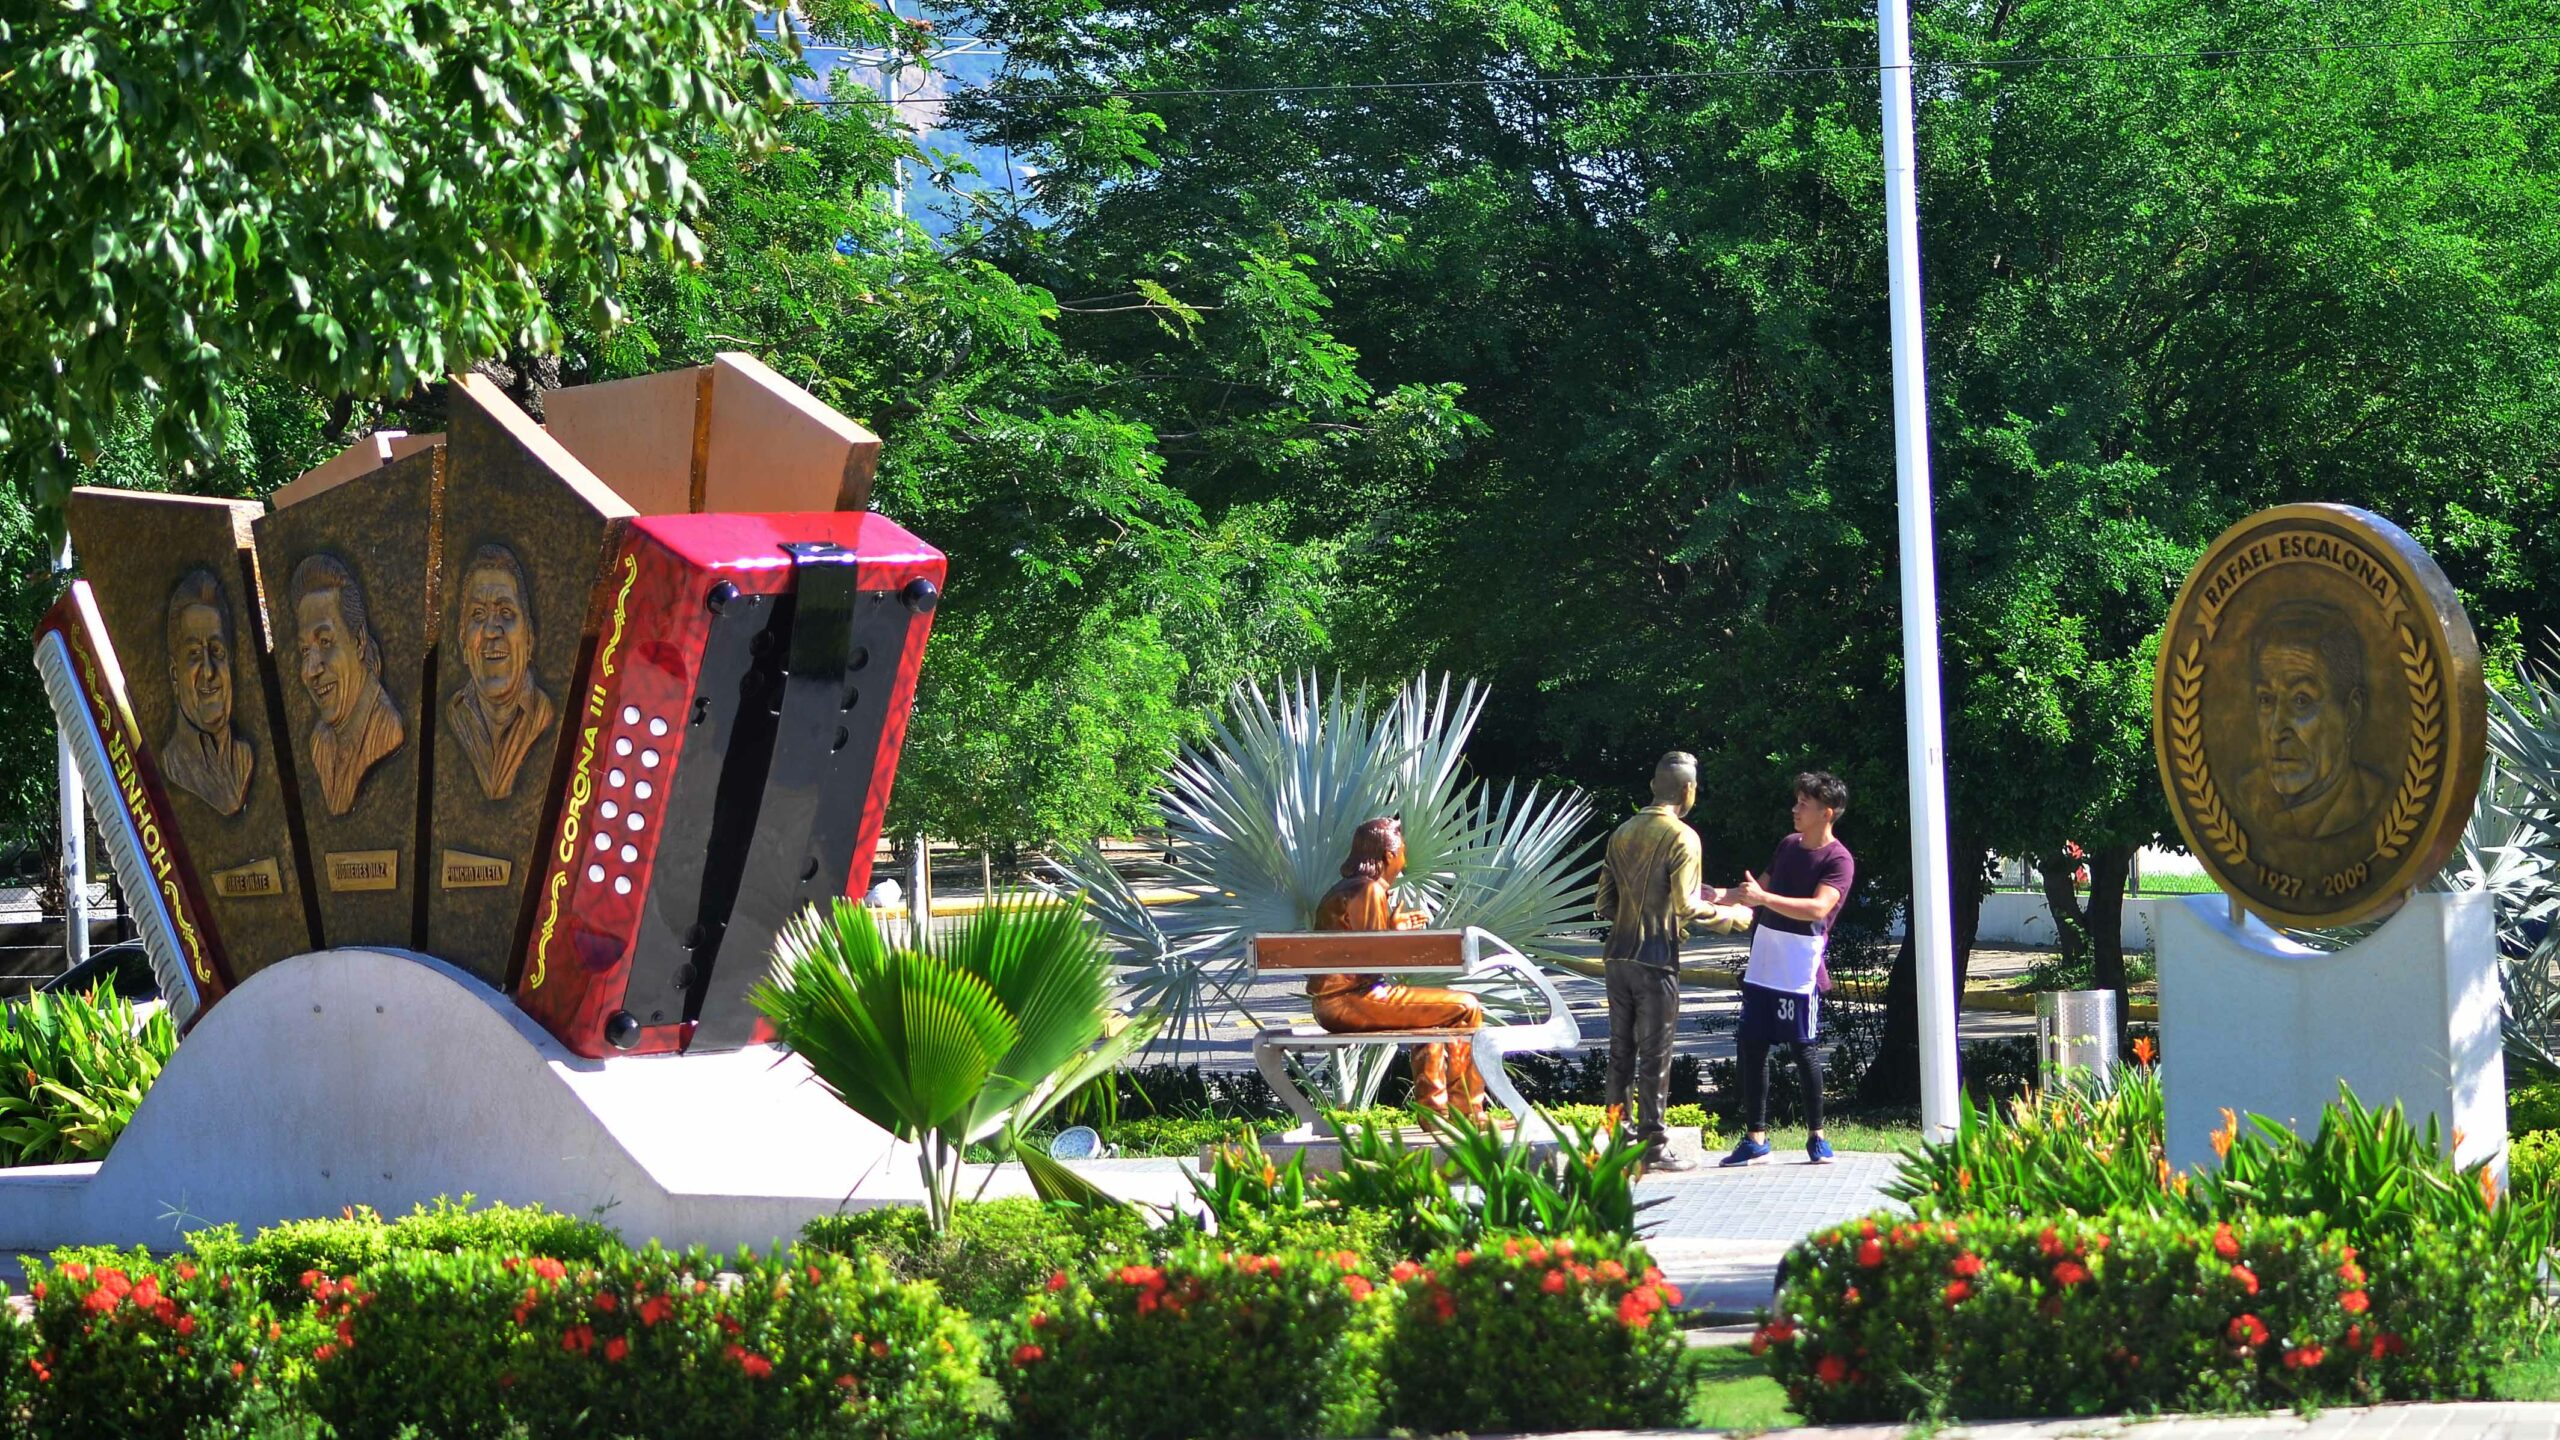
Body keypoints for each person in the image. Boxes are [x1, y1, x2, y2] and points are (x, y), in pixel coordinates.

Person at [1593, 752, 1746, 1169]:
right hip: (1655, 958)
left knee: (1620, 1052)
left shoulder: (1622, 832)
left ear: (1652, 787)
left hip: (1617, 956)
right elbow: (1687, 904)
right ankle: (1655, 1146)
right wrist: (1733, 918)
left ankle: (1615, 1140)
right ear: (1688, 790)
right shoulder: (1683, 836)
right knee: (1655, 1056)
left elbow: (1604, 902)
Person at [1712, 772, 1854, 1167]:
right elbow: (1755, 892)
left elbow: (1818, 908)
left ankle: (1817, 1137)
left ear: (1826, 813)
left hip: (1799, 969)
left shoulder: (1838, 859)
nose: (1795, 809)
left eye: (1803, 804)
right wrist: (1717, 897)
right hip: (1764, 962)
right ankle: (1755, 1138)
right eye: (1796, 802)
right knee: (1752, 1045)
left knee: (1802, 1048)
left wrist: (1762, 897)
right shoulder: (1788, 845)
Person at [1307, 817, 1486, 1119]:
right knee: (1466, 1006)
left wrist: (1390, 928)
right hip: (1352, 1000)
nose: (1405, 857)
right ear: (1389, 855)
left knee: (1434, 1015)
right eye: (1403, 849)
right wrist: (1397, 937)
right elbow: (1376, 959)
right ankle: (1468, 1113)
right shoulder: (1368, 890)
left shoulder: (1351, 889)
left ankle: (1436, 1113)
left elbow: (1365, 946)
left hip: (1341, 1000)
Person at [291, 553, 405, 816]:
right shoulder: (319, 742)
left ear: (359, 640)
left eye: (325, 642)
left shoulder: (387, 730)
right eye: (305, 651)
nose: (312, 670)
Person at [445, 544, 557, 800]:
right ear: (462, 640)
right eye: (478, 614)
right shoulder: (453, 714)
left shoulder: (544, 715)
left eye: (506, 613)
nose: (492, 631)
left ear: (529, 638)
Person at [160, 568, 254, 815]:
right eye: (193, 655)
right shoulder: (174, 766)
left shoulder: (246, 759)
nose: (209, 671)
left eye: (217, 651)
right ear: (173, 675)